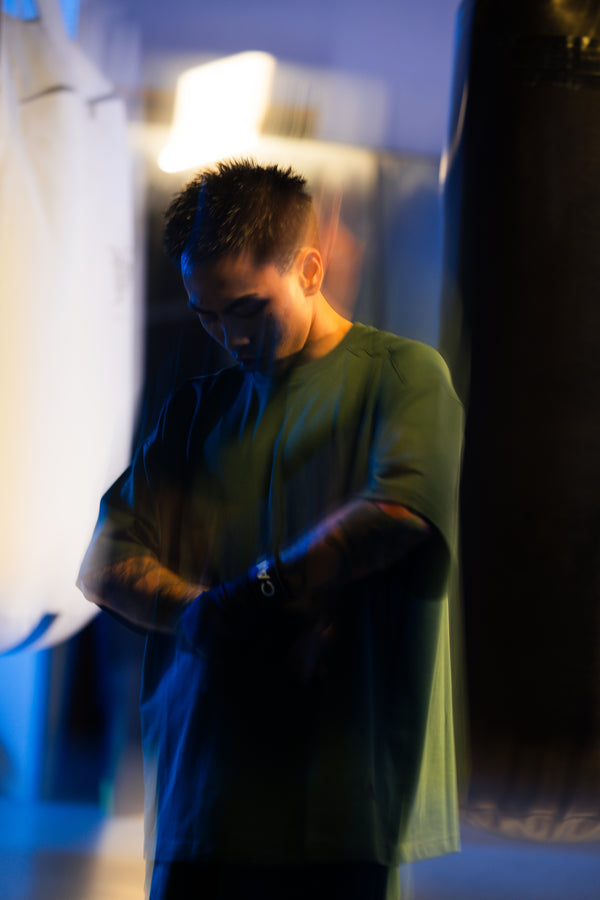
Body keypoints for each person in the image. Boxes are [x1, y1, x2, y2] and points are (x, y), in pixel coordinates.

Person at [77, 159, 463, 900]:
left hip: (335, 810)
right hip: (201, 800)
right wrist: (198, 612)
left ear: (310, 270)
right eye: (206, 314)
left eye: (248, 309)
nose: (229, 335)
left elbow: (397, 512)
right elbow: (104, 564)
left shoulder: (402, 376)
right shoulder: (196, 411)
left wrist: (253, 594)